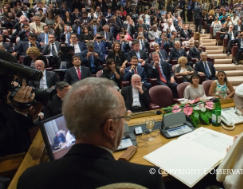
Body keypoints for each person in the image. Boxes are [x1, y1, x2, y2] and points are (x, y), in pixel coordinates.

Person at [18, 78, 165, 188]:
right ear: (110, 128)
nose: (125, 121)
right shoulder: (148, 178)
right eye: (123, 117)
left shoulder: (29, 179)